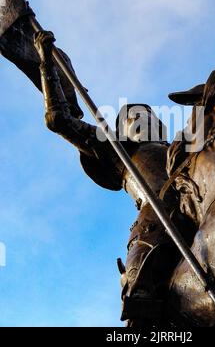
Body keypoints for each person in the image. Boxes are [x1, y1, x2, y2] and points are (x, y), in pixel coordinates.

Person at [33, 31, 194, 326]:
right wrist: (45, 62)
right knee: (141, 295)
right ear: (124, 129)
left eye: (149, 116)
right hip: (155, 219)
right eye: (134, 117)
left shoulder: (179, 148)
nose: (144, 119)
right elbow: (58, 121)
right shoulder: (118, 152)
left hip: (195, 204)